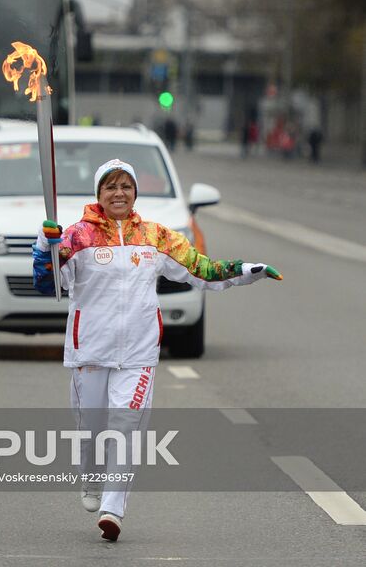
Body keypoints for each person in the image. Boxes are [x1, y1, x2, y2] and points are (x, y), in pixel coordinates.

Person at [33, 158, 282, 543]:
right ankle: (91, 477)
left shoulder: (155, 237)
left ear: (135, 193)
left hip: (139, 354)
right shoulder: (77, 236)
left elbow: (201, 270)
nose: (119, 193)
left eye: (126, 186)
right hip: (89, 353)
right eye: (111, 186)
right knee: (93, 431)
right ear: (99, 194)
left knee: (127, 425)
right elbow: (49, 284)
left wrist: (247, 270)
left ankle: (113, 509)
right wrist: (44, 248)